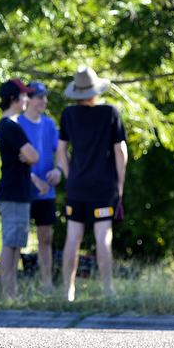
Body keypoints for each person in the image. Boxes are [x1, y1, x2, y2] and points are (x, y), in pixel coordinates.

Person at [57, 66, 128, 301]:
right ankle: (108, 289)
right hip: (103, 187)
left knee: (73, 237)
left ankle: (68, 290)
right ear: (95, 90)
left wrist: (70, 176)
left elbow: (60, 150)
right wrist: (120, 185)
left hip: (77, 186)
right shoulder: (110, 113)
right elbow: (121, 152)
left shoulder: (68, 114)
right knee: (102, 236)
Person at [0, 79, 41, 299]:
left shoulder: (12, 125)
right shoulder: (10, 126)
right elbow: (33, 155)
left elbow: (31, 157)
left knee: (16, 246)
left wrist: (29, 157)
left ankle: (12, 292)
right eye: (24, 96)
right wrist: (29, 156)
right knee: (10, 244)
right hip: (12, 193)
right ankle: (8, 293)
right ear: (13, 99)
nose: (27, 99)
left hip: (18, 193)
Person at [17, 81, 62, 292]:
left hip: (46, 193)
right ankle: (12, 285)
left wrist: (58, 171)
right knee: (16, 239)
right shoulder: (17, 124)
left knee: (46, 238)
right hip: (24, 191)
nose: (43, 100)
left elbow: (61, 154)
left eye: (45, 97)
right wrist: (34, 180)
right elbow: (15, 160)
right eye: (39, 97)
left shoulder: (50, 124)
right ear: (29, 99)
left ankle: (47, 283)